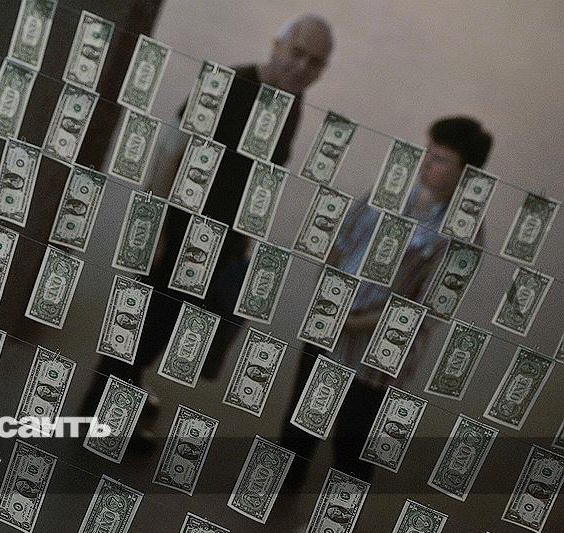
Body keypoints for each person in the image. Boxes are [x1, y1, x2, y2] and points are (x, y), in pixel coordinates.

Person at [79, 14, 336, 441]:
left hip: (219, 244)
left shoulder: (290, 105)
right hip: (179, 233)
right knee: (143, 329)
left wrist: (242, 244)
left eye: (315, 63)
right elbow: (170, 152)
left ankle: (119, 406)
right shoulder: (227, 84)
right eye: (297, 53)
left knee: (160, 330)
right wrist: (155, 231)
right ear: (277, 44)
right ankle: (100, 422)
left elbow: (259, 178)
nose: (302, 67)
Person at [278, 116, 494, 498]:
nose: (427, 162)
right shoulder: (391, 190)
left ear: (466, 174)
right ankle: (281, 487)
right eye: (428, 151)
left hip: (379, 351)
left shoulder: (465, 234)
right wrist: (331, 298)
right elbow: (340, 240)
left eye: (441, 159)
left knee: (354, 441)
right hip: (330, 323)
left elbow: (428, 310)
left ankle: (337, 516)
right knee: (304, 415)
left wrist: (355, 322)